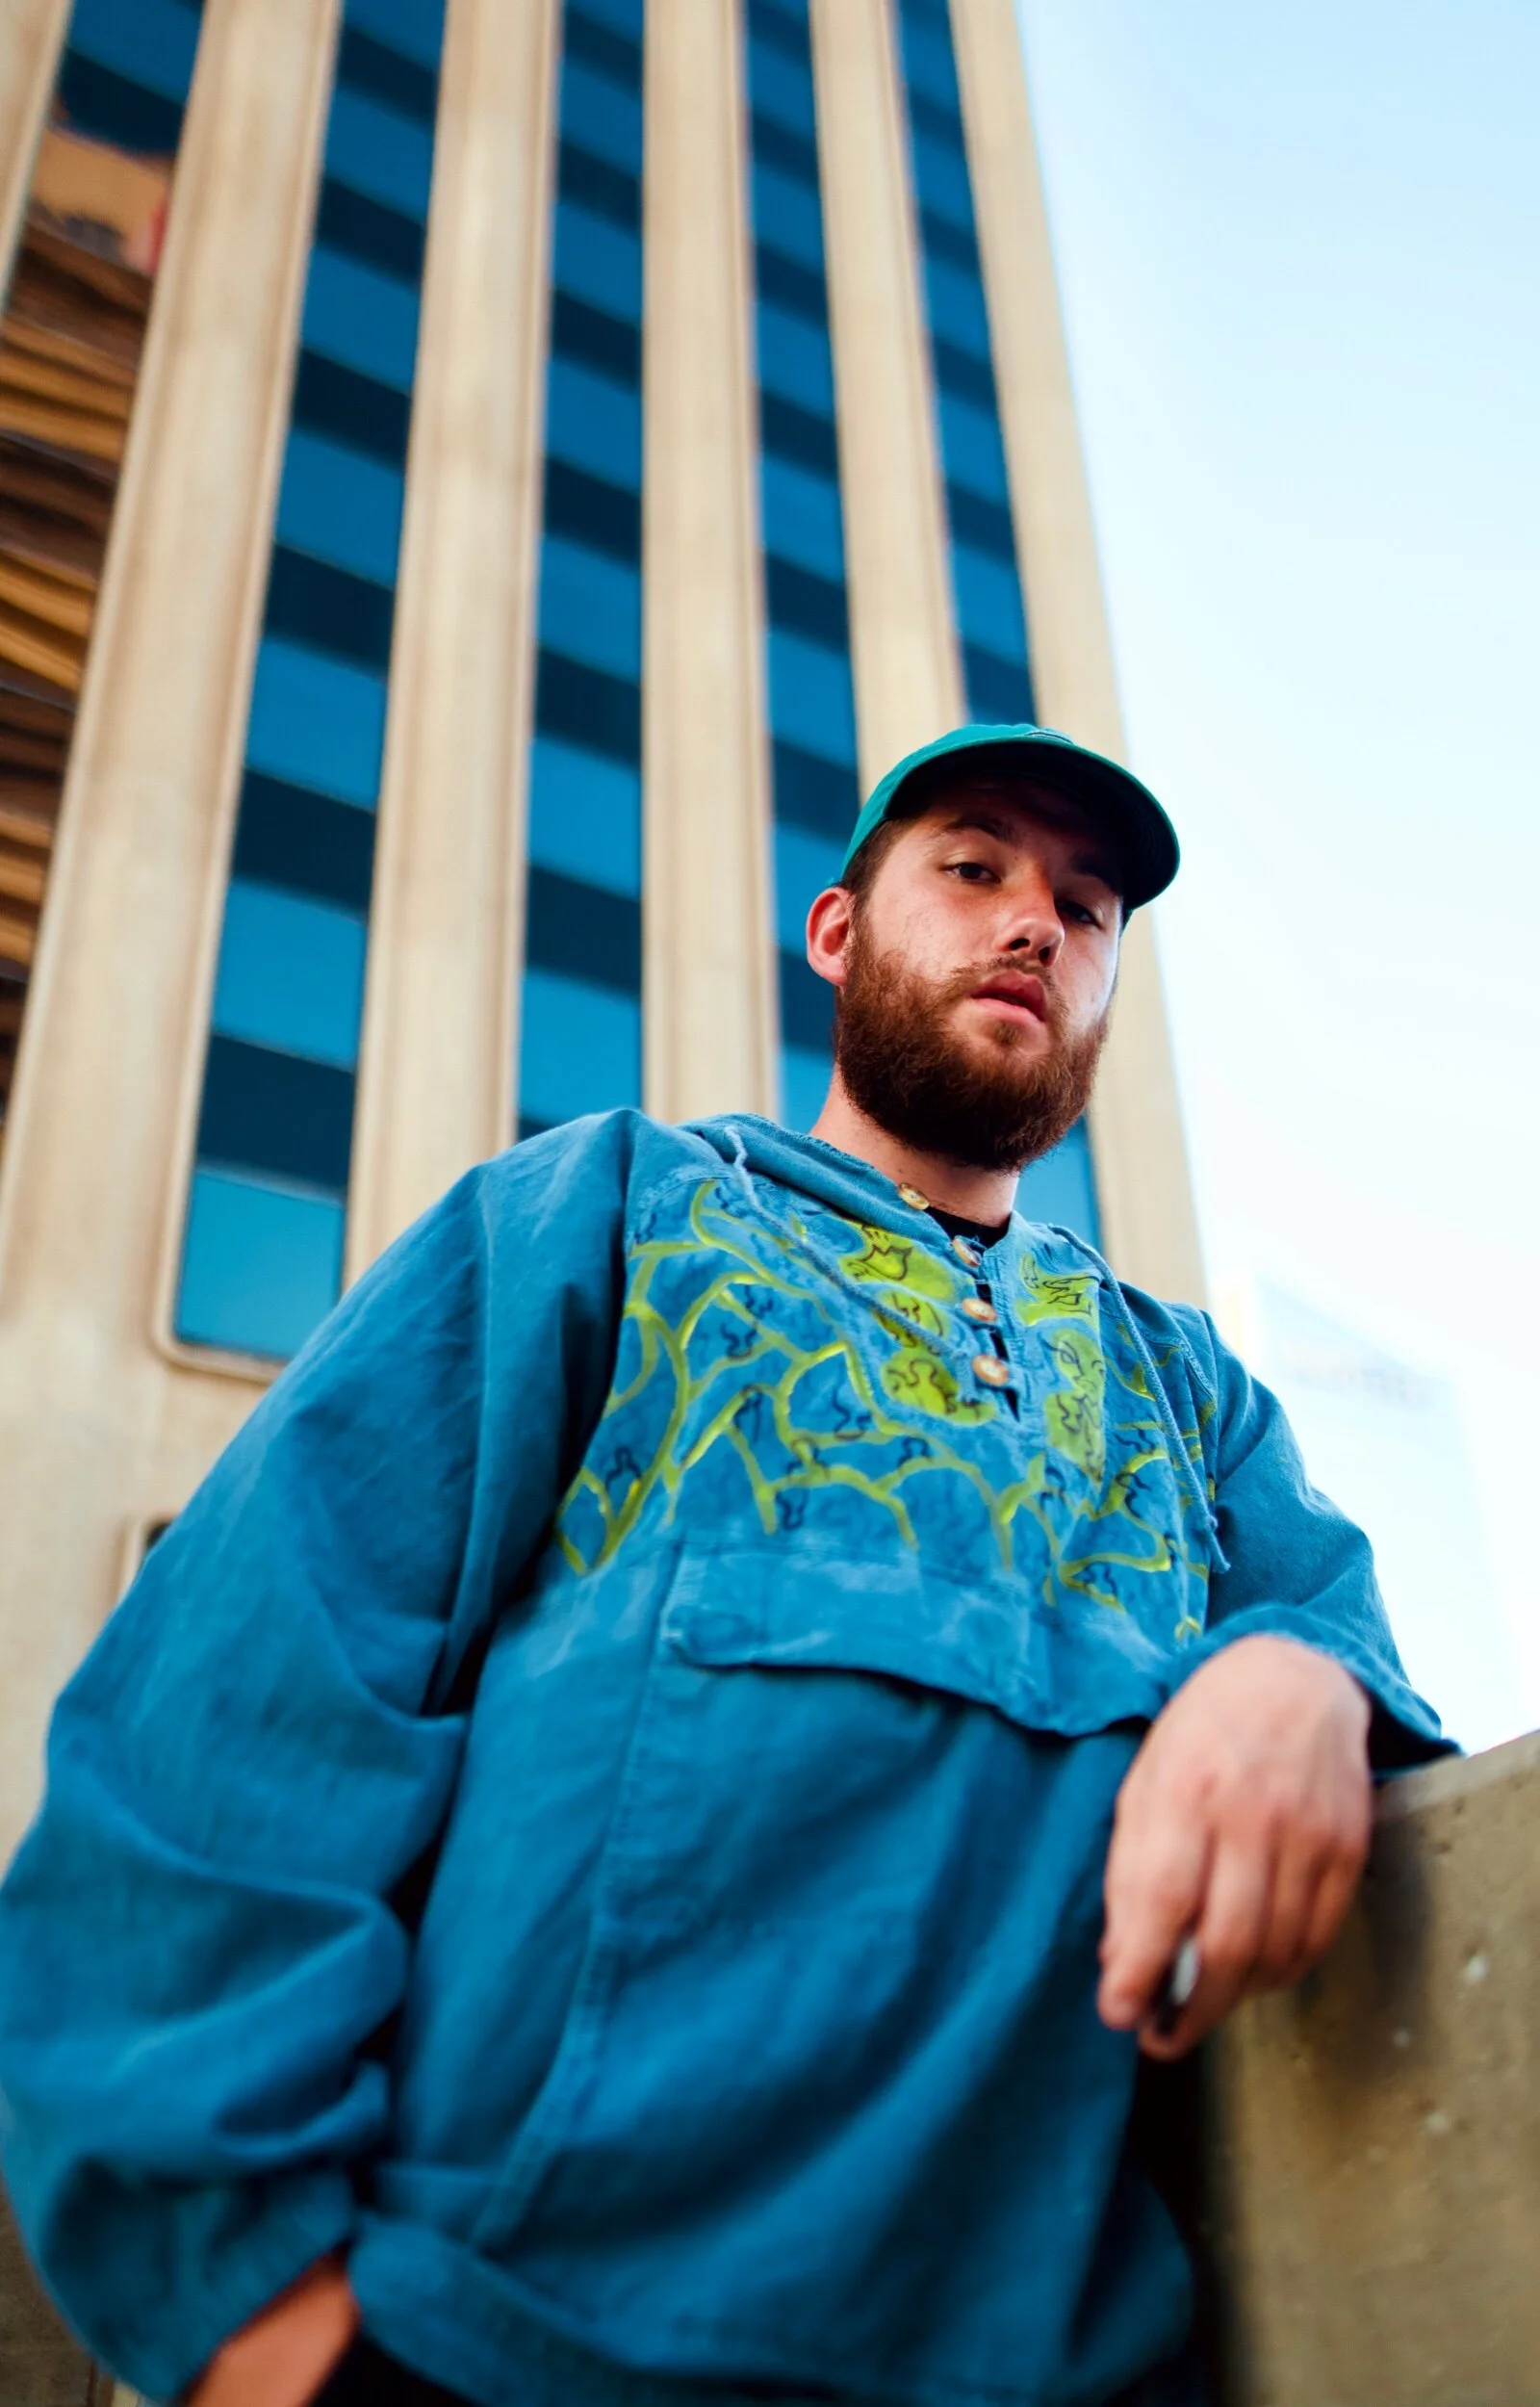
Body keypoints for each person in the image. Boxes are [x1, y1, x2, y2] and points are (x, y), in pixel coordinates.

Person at [0, 722, 1445, 2407]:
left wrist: (1293, 1672)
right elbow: (235, 1725)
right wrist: (277, 2339)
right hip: (503, 2345)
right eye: (973, 869)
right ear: (838, 934)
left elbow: (1344, 1635)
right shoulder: (606, 1210)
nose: (1039, 924)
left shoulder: (1189, 1388)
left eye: (1089, 906)